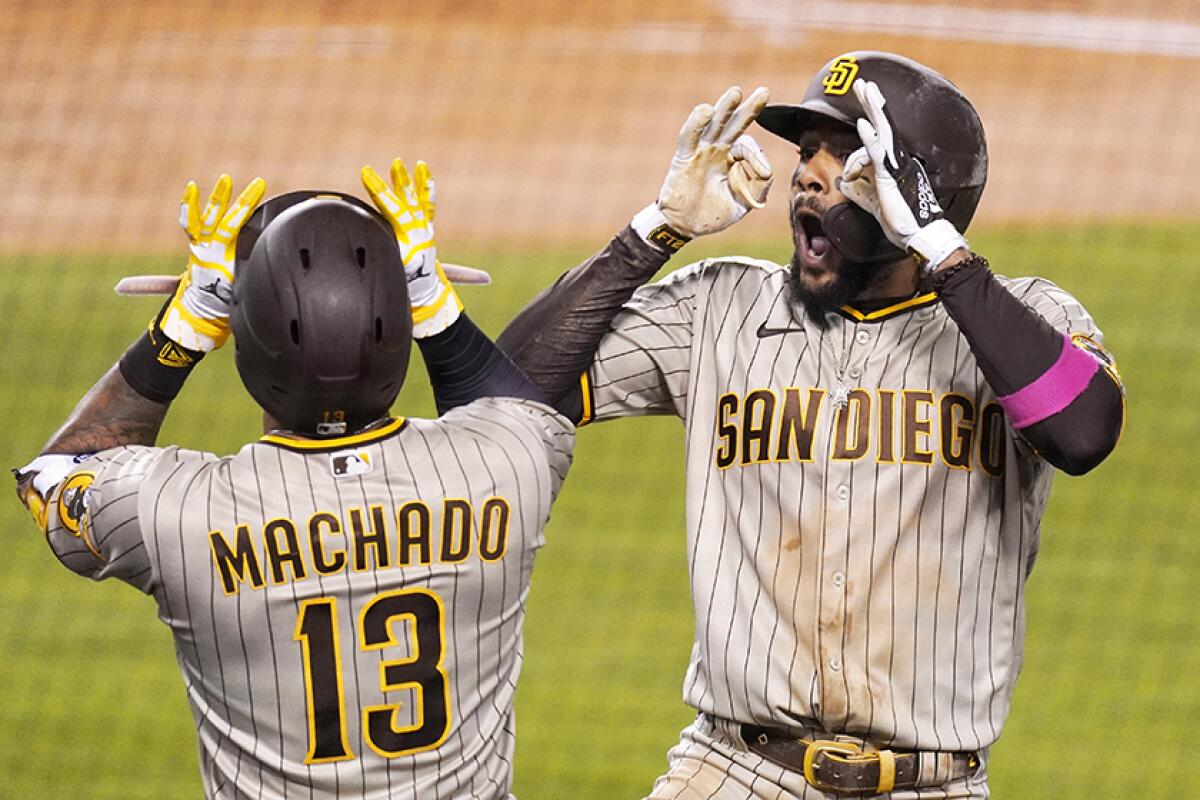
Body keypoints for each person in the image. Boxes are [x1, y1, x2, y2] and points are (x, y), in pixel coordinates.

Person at [498, 52, 1125, 798]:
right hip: (731, 771)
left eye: (846, 154)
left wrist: (942, 253)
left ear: (920, 187)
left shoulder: (1027, 321)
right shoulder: (722, 308)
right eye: (806, 153)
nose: (808, 174)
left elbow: (1084, 434)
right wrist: (654, 232)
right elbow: (503, 396)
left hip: (934, 785)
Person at [13, 160, 575, 798]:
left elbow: (54, 474)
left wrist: (186, 325)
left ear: (253, 346)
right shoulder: (509, 467)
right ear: (399, 331)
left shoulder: (175, 512)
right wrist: (430, 301)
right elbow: (515, 411)